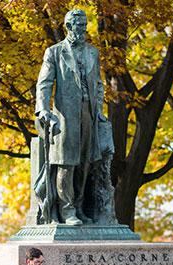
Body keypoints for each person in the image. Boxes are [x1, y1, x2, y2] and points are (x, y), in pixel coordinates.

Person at [35, 9, 107, 226]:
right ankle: (67, 211)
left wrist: (100, 111)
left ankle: (79, 206)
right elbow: (44, 83)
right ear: (68, 27)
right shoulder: (54, 52)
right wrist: (43, 109)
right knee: (67, 162)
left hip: (89, 113)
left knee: (85, 162)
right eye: (79, 25)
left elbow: (98, 84)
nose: (83, 29)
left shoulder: (93, 53)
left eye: (85, 24)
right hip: (66, 115)